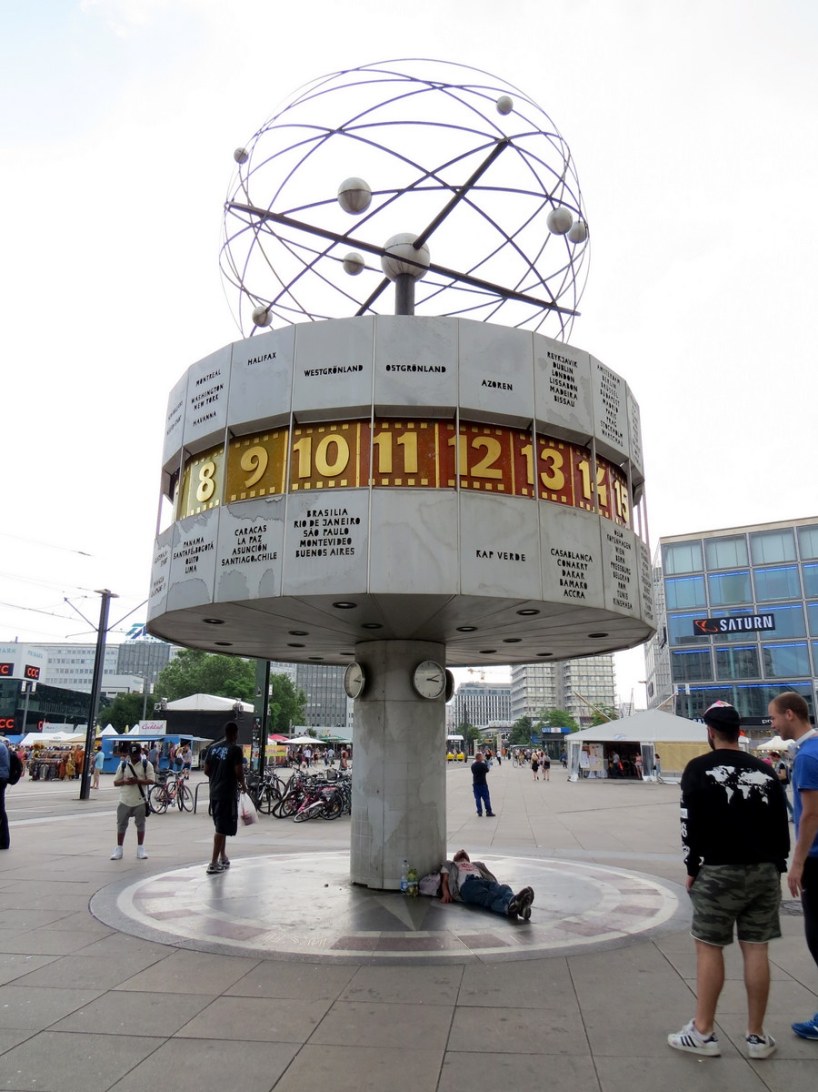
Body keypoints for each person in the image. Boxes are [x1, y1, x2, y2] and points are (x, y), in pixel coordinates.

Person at [667, 701, 789, 1059]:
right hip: (764, 870)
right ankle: (757, 1036)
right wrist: (778, 864)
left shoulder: (698, 769)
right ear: (739, 732)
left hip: (718, 870)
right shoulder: (764, 770)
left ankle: (703, 1032)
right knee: (757, 948)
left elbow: (689, 823)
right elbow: (780, 823)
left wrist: (692, 868)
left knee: (709, 947)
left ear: (710, 732)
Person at [767, 691, 818, 1040]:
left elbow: (811, 814)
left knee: (817, 938)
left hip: (816, 858)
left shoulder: (809, 756)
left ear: (790, 714)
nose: (772, 724)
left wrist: (797, 863)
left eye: (773, 717)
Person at [203, 721, 247, 875]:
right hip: (226, 792)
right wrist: (242, 784)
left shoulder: (213, 748)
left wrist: (216, 777)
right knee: (221, 828)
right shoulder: (235, 750)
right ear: (235, 733)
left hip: (214, 792)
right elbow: (238, 771)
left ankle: (223, 856)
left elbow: (206, 770)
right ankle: (213, 862)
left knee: (220, 825)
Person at [440, 849, 533, 919]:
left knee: (503, 888)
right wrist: (446, 893)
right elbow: (445, 880)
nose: (462, 852)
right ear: (456, 858)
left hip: (484, 881)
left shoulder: (475, 865)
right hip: (468, 885)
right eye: (459, 853)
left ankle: (516, 905)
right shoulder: (451, 864)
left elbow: (487, 874)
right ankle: (509, 907)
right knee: (490, 897)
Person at [110, 743, 155, 861]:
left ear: (140, 753)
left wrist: (138, 781)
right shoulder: (123, 765)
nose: (134, 757)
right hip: (124, 799)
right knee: (121, 825)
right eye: (132, 755)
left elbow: (151, 780)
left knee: (141, 824)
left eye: (136, 755)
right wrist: (125, 781)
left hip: (140, 800)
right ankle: (119, 848)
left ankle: (140, 848)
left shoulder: (146, 764)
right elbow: (115, 782)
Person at [470, 751, 495, 818]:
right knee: (486, 798)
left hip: (475, 784)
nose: (483, 757)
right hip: (483, 783)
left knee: (477, 799)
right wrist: (485, 762)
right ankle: (488, 811)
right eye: (482, 757)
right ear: (480, 757)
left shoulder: (473, 765)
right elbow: (487, 770)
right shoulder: (483, 765)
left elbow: (473, 772)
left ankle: (479, 811)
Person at [0, 738, 12, 850]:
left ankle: (3, 841)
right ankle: (4, 841)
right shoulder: (2, 746)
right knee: (0, 810)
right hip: (2, 778)